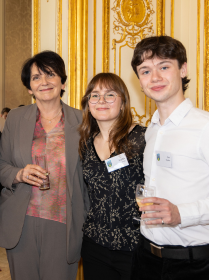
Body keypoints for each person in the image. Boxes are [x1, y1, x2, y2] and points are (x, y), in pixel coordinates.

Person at [129, 36, 209, 280]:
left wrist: (181, 213)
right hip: (144, 259)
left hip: (192, 266)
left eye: (164, 67)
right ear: (139, 80)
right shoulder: (152, 129)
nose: (154, 78)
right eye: (145, 71)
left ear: (183, 69)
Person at [0, 50, 89, 280]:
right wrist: (19, 174)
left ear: (63, 81)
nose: (44, 82)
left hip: (64, 221)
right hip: (22, 220)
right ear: (29, 87)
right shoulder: (16, 118)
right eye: (36, 77)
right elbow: (1, 166)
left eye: (50, 74)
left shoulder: (83, 120)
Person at [78, 73, 145, 279]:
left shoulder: (142, 138)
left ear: (123, 103)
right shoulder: (86, 143)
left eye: (110, 95)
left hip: (135, 246)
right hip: (94, 245)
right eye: (95, 95)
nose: (101, 101)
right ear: (88, 104)